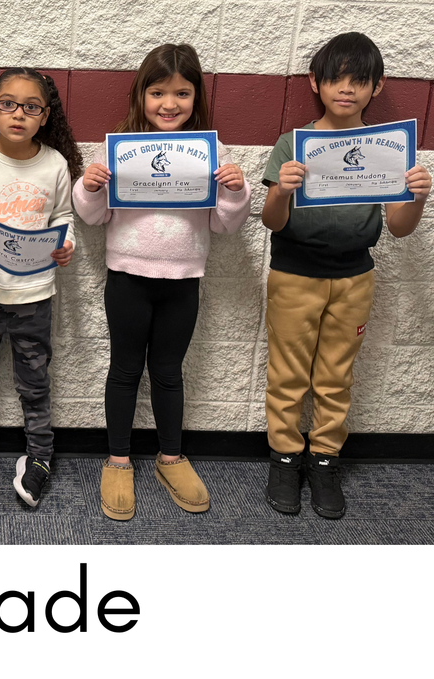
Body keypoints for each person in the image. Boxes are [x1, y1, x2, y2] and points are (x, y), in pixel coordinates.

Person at [73, 43, 250, 520]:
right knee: (125, 370)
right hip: (127, 277)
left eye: (182, 93)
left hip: (183, 280)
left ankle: (171, 457)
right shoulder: (118, 148)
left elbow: (225, 224)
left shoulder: (211, 153)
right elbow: (92, 216)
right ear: (141, 95)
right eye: (157, 93)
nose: (169, 104)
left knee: (169, 372)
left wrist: (236, 192)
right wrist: (88, 187)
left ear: (196, 98)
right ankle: (118, 460)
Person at [261, 32, 430, 518]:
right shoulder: (294, 143)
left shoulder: (386, 148)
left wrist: (417, 198)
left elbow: (398, 228)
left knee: (337, 375)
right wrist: (281, 191)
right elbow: (271, 221)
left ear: (378, 87)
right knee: (288, 373)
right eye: (336, 79)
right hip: (294, 274)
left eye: (359, 81)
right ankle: (285, 456)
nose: (347, 89)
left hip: (355, 276)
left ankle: (324, 457)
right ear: (315, 82)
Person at [0, 67, 79, 508]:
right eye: (7, 104)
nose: (18, 114)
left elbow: (63, 216)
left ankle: (40, 455)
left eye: (31, 107)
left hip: (34, 294)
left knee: (35, 380)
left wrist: (67, 244)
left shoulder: (55, 164)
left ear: (45, 116)